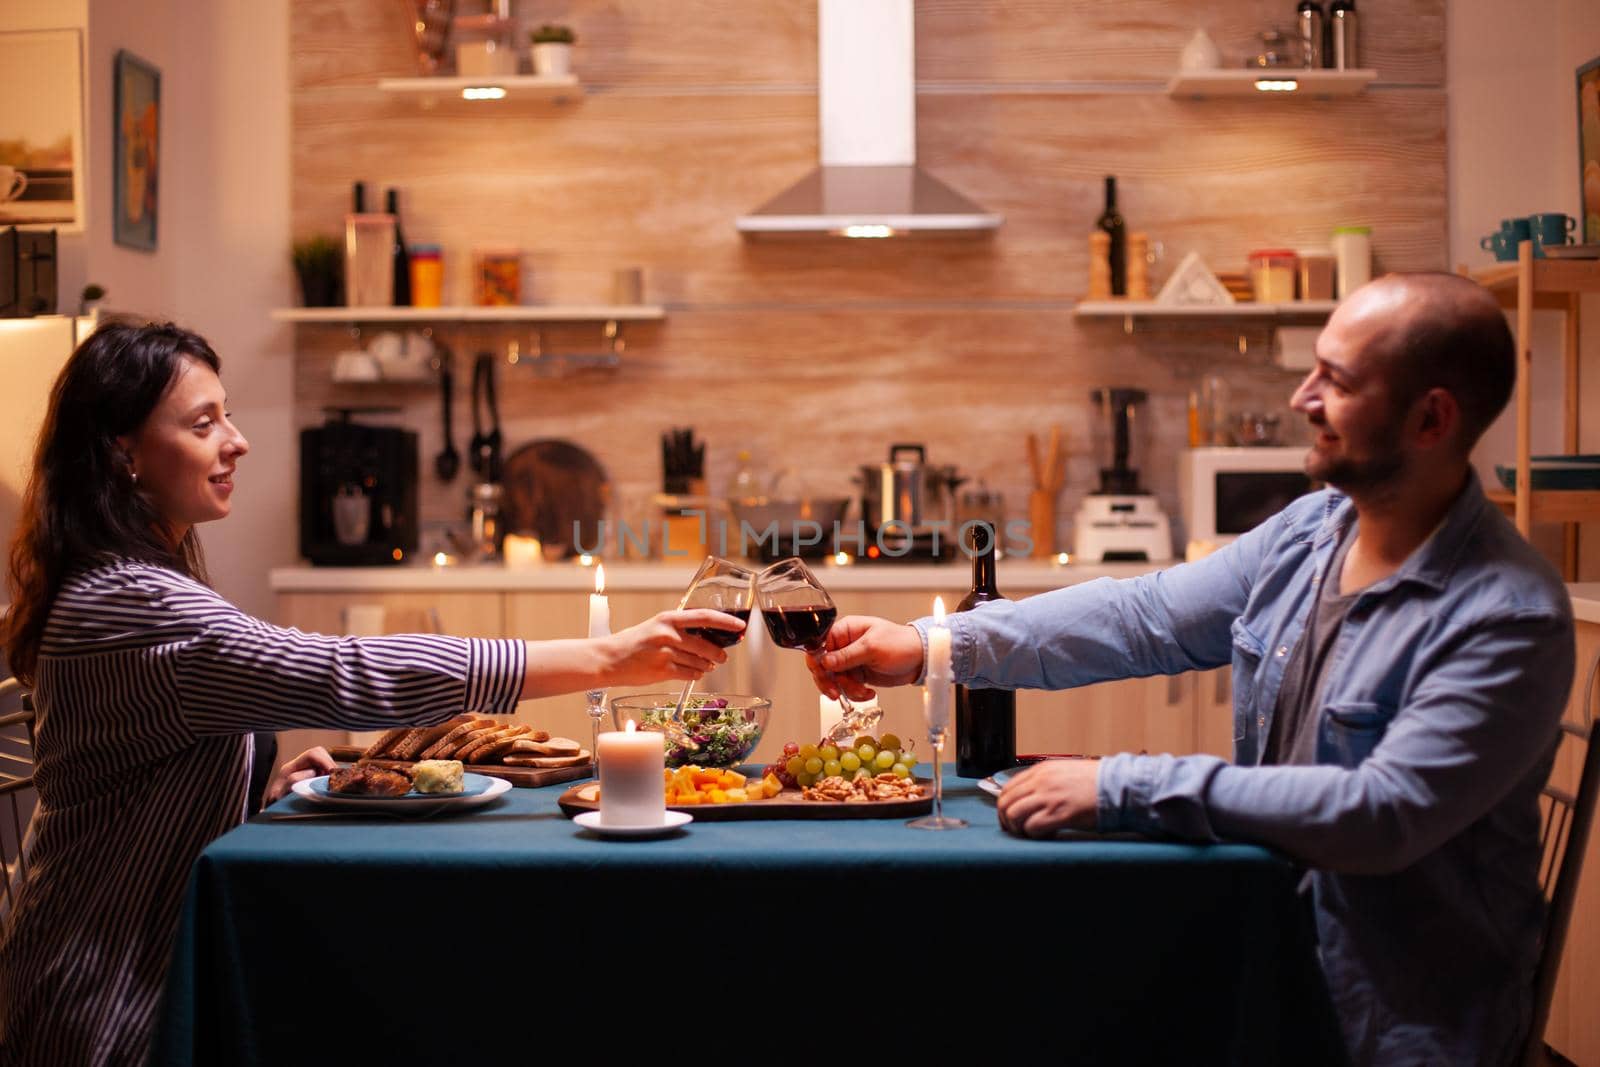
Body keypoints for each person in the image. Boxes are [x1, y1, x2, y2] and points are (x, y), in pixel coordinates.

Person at [808, 273, 1574, 1066]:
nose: (1302, 398)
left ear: (1431, 418)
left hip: (1397, 1029)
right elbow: (1148, 616)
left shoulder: (1507, 615)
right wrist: (934, 645)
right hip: (1266, 956)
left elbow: (1379, 812)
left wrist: (1122, 786)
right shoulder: (1311, 533)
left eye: (1336, 381)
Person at [0, 321, 743, 1065]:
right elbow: (343, 671)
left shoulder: (130, 581)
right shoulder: (132, 603)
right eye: (203, 422)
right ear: (121, 451)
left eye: (226, 412)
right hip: (102, 1007)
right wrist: (607, 657)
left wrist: (248, 798)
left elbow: (141, 779)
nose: (236, 439)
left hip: (137, 971)